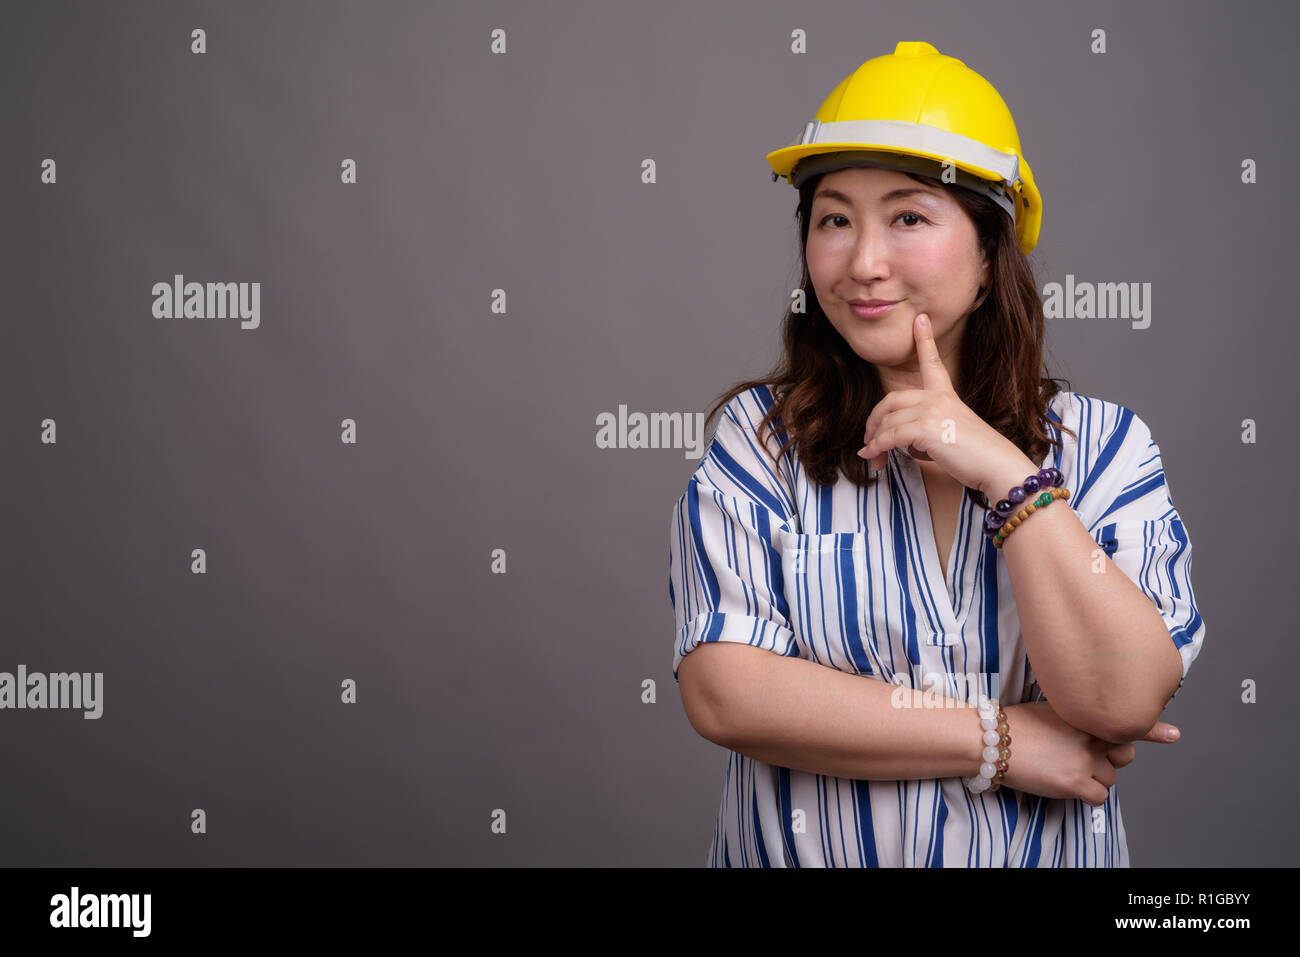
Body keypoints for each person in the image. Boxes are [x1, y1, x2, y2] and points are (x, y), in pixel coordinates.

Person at [666, 41, 1206, 867]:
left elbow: (1123, 698)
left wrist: (1002, 469)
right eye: (834, 218)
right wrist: (999, 741)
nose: (863, 262)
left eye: (909, 216)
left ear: (992, 256)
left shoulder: (1105, 450)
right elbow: (726, 692)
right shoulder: (762, 440)